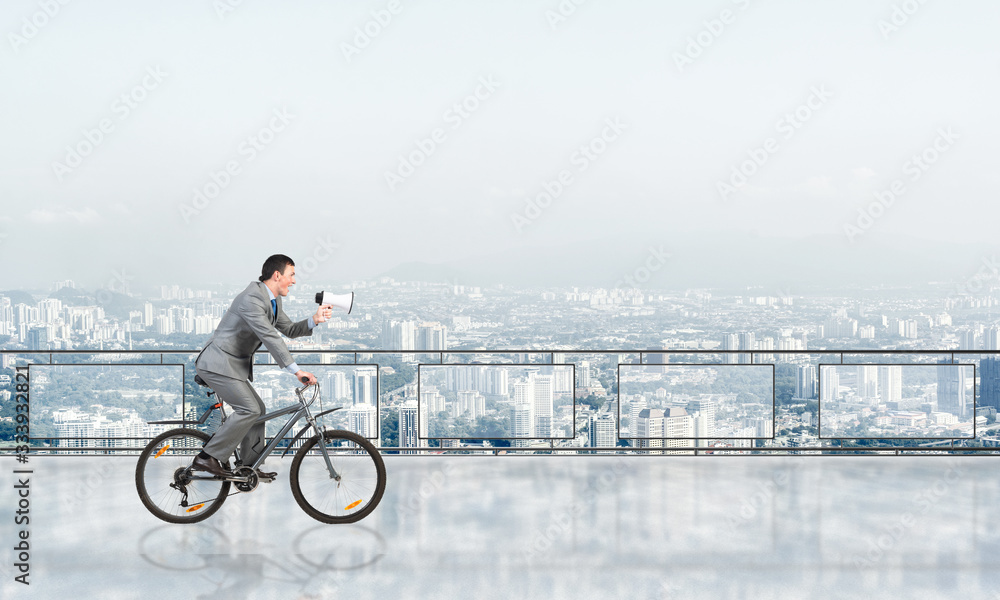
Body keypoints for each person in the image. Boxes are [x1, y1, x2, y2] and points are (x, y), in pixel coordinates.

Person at [191, 254, 334, 479]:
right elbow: (269, 336)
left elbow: (289, 329)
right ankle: (207, 457)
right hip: (217, 364)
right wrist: (296, 371)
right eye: (292, 275)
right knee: (250, 409)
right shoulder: (252, 299)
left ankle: (248, 466)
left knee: (259, 411)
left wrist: (314, 320)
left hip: (231, 366)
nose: (294, 281)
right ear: (277, 275)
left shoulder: (271, 301)